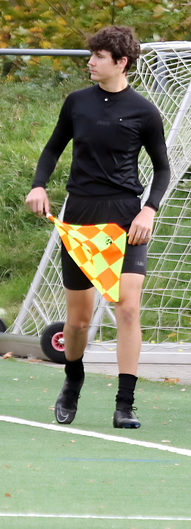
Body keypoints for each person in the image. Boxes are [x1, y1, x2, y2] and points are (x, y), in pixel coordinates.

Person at [26, 26, 170, 429]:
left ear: (121, 62)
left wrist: (149, 210)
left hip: (126, 220)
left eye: (99, 56)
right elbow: (53, 148)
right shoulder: (77, 102)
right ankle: (73, 379)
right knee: (78, 322)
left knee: (128, 308)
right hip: (79, 218)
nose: (90, 62)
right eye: (91, 55)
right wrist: (39, 185)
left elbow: (162, 168)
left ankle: (125, 404)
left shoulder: (144, 111)